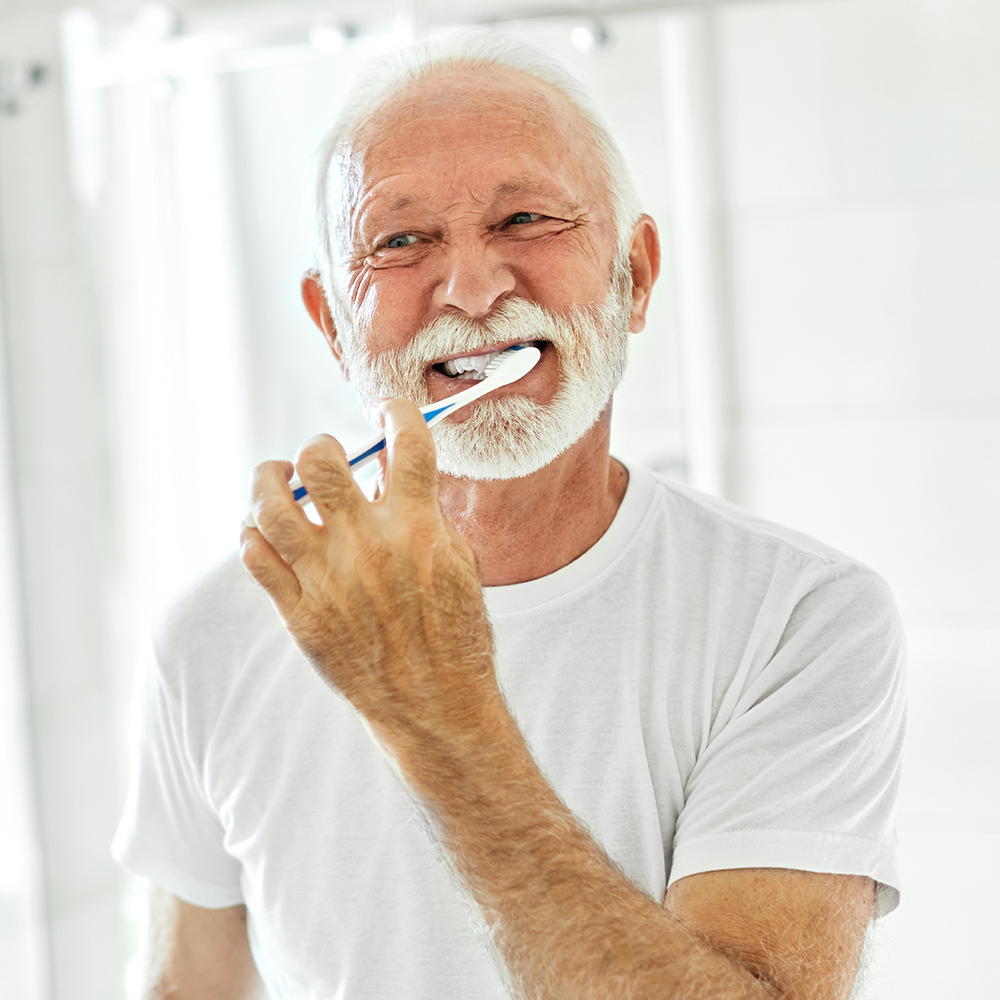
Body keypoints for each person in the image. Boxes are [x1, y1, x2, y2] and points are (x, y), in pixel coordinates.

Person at [113, 30, 905, 1000]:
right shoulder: (213, 632)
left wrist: (436, 715)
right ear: (331, 324)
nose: (474, 290)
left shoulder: (799, 620)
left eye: (526, 218)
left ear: (635, 278)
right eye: (400, 240)